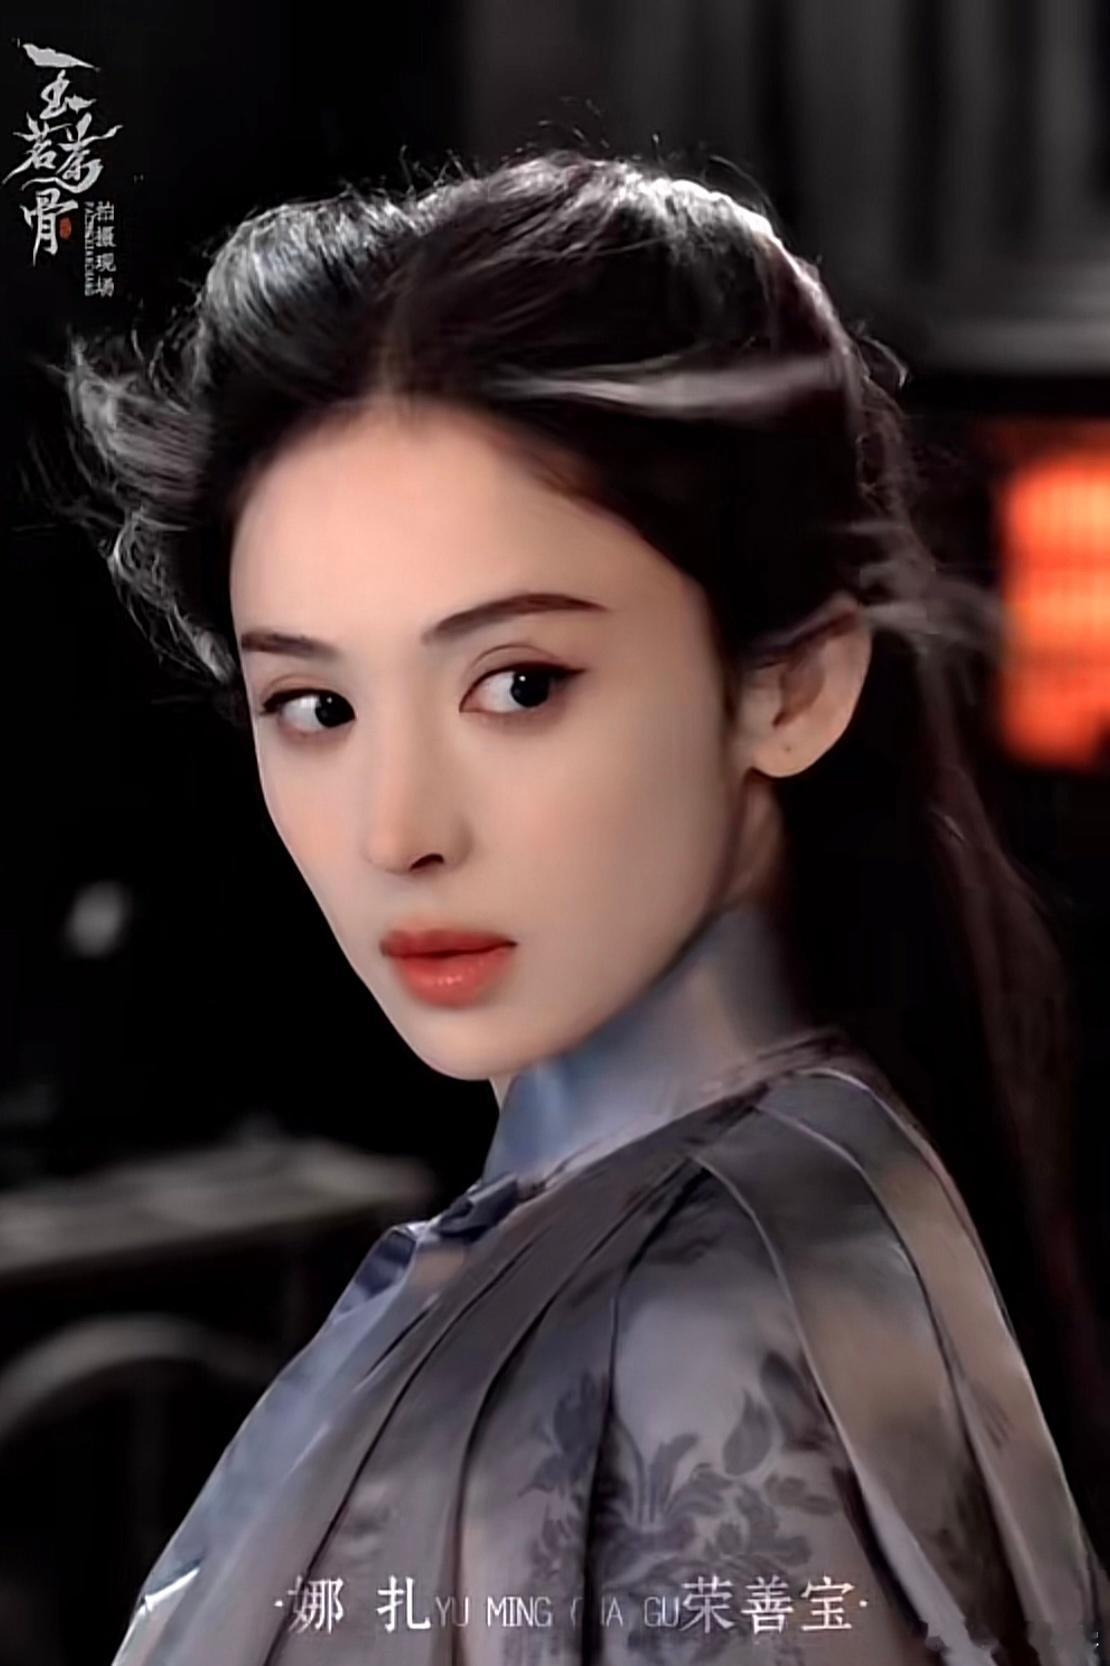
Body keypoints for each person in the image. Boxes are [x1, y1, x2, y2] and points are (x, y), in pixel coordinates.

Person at [60, 149, 1110, 1665]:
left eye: (520, 684)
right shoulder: (710, 1209)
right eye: (315, 705)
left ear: (791, 684)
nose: (397, 831)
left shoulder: (708, 1314)